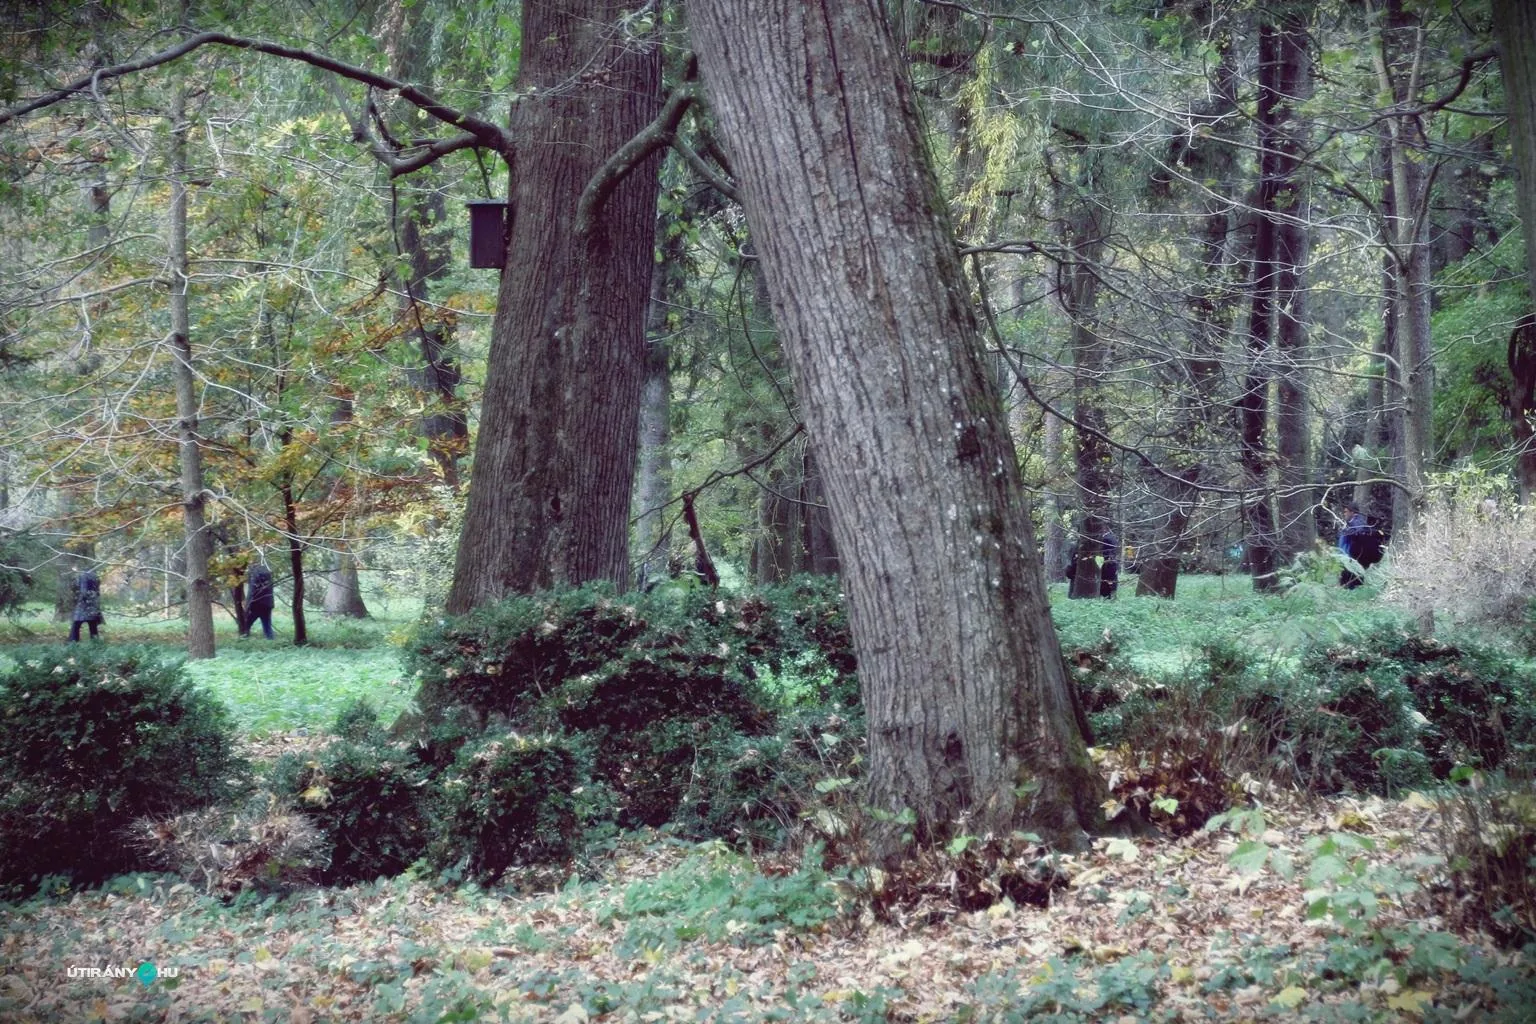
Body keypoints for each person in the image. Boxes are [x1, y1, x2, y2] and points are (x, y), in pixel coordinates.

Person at [1338, 501, 1371, 589]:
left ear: (1352, 512)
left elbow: (1358, 535)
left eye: (1346, 512)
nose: (1344, 514)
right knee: (1346, 582)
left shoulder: (1357, 523)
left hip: (1352, 557)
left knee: (1352, 582)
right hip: (1347, 556)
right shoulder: (1351, 523)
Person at [69, 569, 104, 642]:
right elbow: (97, 591)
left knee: (76, 624)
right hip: (93, 603)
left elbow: (83, 591)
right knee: (92, 625)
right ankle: (95, 642)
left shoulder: (83, 576)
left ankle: (73, 642)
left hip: (84, 604)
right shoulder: (95, 576)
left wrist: (80, 599)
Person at [246, 561, 275, 639]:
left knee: (246, 623)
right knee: (267, 625)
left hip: (257, 604)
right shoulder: (268, 575)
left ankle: (244, 639)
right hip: (267, 604)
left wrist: (248, 604)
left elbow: (252, 592)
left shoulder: (254, 576)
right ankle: (271, 641)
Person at [1099, 528, 1119, 600]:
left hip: (1107, 563)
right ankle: (1111, 596)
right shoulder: (1112, 537)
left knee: (1106, 581)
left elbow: (1106, 552)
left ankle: (1106, 597)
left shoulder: (1105, 539)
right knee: (1112, 580)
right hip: (1113, 562)